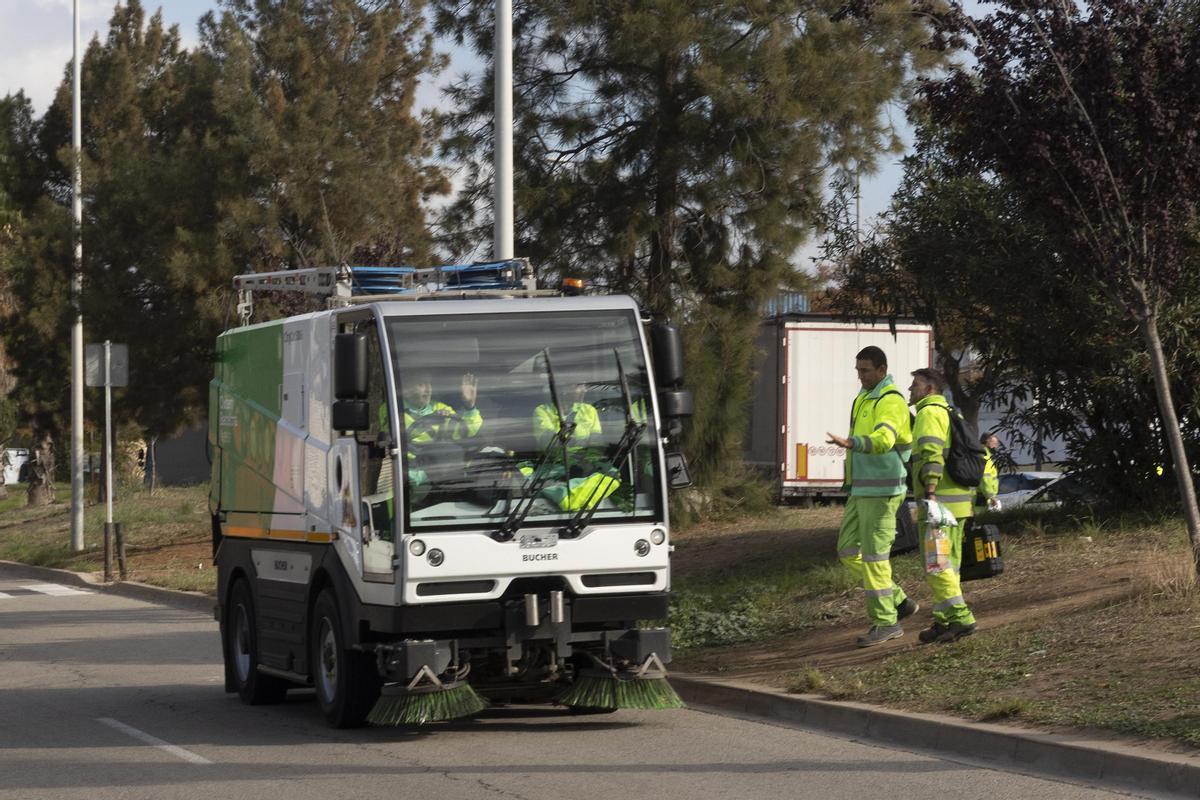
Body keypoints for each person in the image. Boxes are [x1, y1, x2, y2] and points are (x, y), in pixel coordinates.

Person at [825, 346, 918, 647]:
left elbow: (884, 439)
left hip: (882, 492)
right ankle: (899, 601)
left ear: (881, 370)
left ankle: (886, 623)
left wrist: (852, 442)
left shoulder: (890, 401)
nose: (860, 376)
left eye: (865, 370)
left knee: (876, 558)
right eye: (858, 370)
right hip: (862, 490)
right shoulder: (865, 397)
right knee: (848, 551)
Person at [908, 368, 995, 644]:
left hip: (939, 506)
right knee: (950, 566)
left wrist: (930, 492)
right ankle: (944, 621)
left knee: (937, 565)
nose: (910, 390)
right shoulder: (949, 412)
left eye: (915, 385)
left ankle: (961, 618)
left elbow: (931, 454)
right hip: (957, 506)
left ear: (930, 388)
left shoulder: (929, 413)